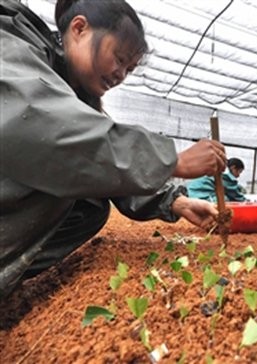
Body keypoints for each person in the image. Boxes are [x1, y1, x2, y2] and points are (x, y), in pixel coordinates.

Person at [0, 0, 227, 297]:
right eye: (118, 59)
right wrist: (170, 160)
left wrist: (175, 202)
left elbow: (97, 159)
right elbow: (44, 129)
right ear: (79, 28)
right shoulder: (11, 47)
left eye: (129, 69)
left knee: (89, 206)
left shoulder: (74, 93)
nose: (121, 74)